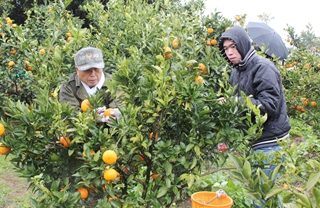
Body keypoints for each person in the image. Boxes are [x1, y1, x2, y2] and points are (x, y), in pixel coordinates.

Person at [218, 26, 291, 207]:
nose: (230, 52)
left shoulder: (263, 68)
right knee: (263, 195)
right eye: (226, 49)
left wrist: (235, 102)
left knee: (261, 196)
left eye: (233, 47)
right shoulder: (236, 72)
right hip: (255, 139)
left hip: (271, 141)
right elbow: (241, 112)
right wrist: (226, 135)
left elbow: (270, 106)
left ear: (243, 44)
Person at [59, 46, 121, 122]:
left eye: (96, 69)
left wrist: (115, 113)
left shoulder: (114, 83)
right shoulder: (69, 87)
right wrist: (91, 117)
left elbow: (121, 105)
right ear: (77, 70)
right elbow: (70, 115)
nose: (92, 74)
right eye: (87, 70)